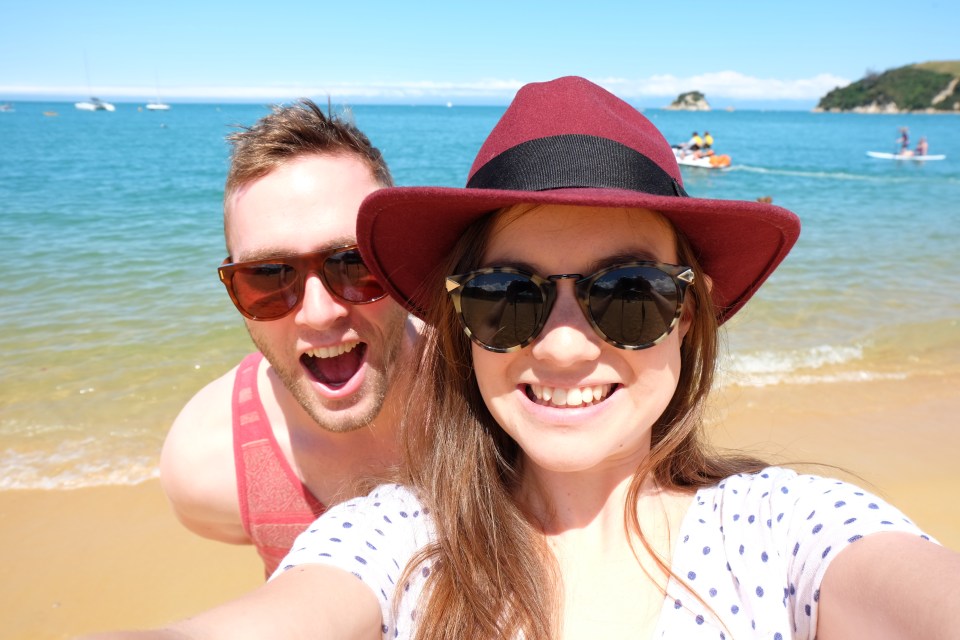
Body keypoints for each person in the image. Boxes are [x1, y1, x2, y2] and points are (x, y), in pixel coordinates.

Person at [90, 77, 960, 639]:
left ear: (689, 317)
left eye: (631, 291)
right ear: (463, 321)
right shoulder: (398, 537)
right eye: (508, 297)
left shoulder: (778, 530)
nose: (568, 344)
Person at [159, 99, 414, 577]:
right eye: (269, 275)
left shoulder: (489, 383)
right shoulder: (205, 464)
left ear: (401, 256)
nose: (319, 314)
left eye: (355, 263)